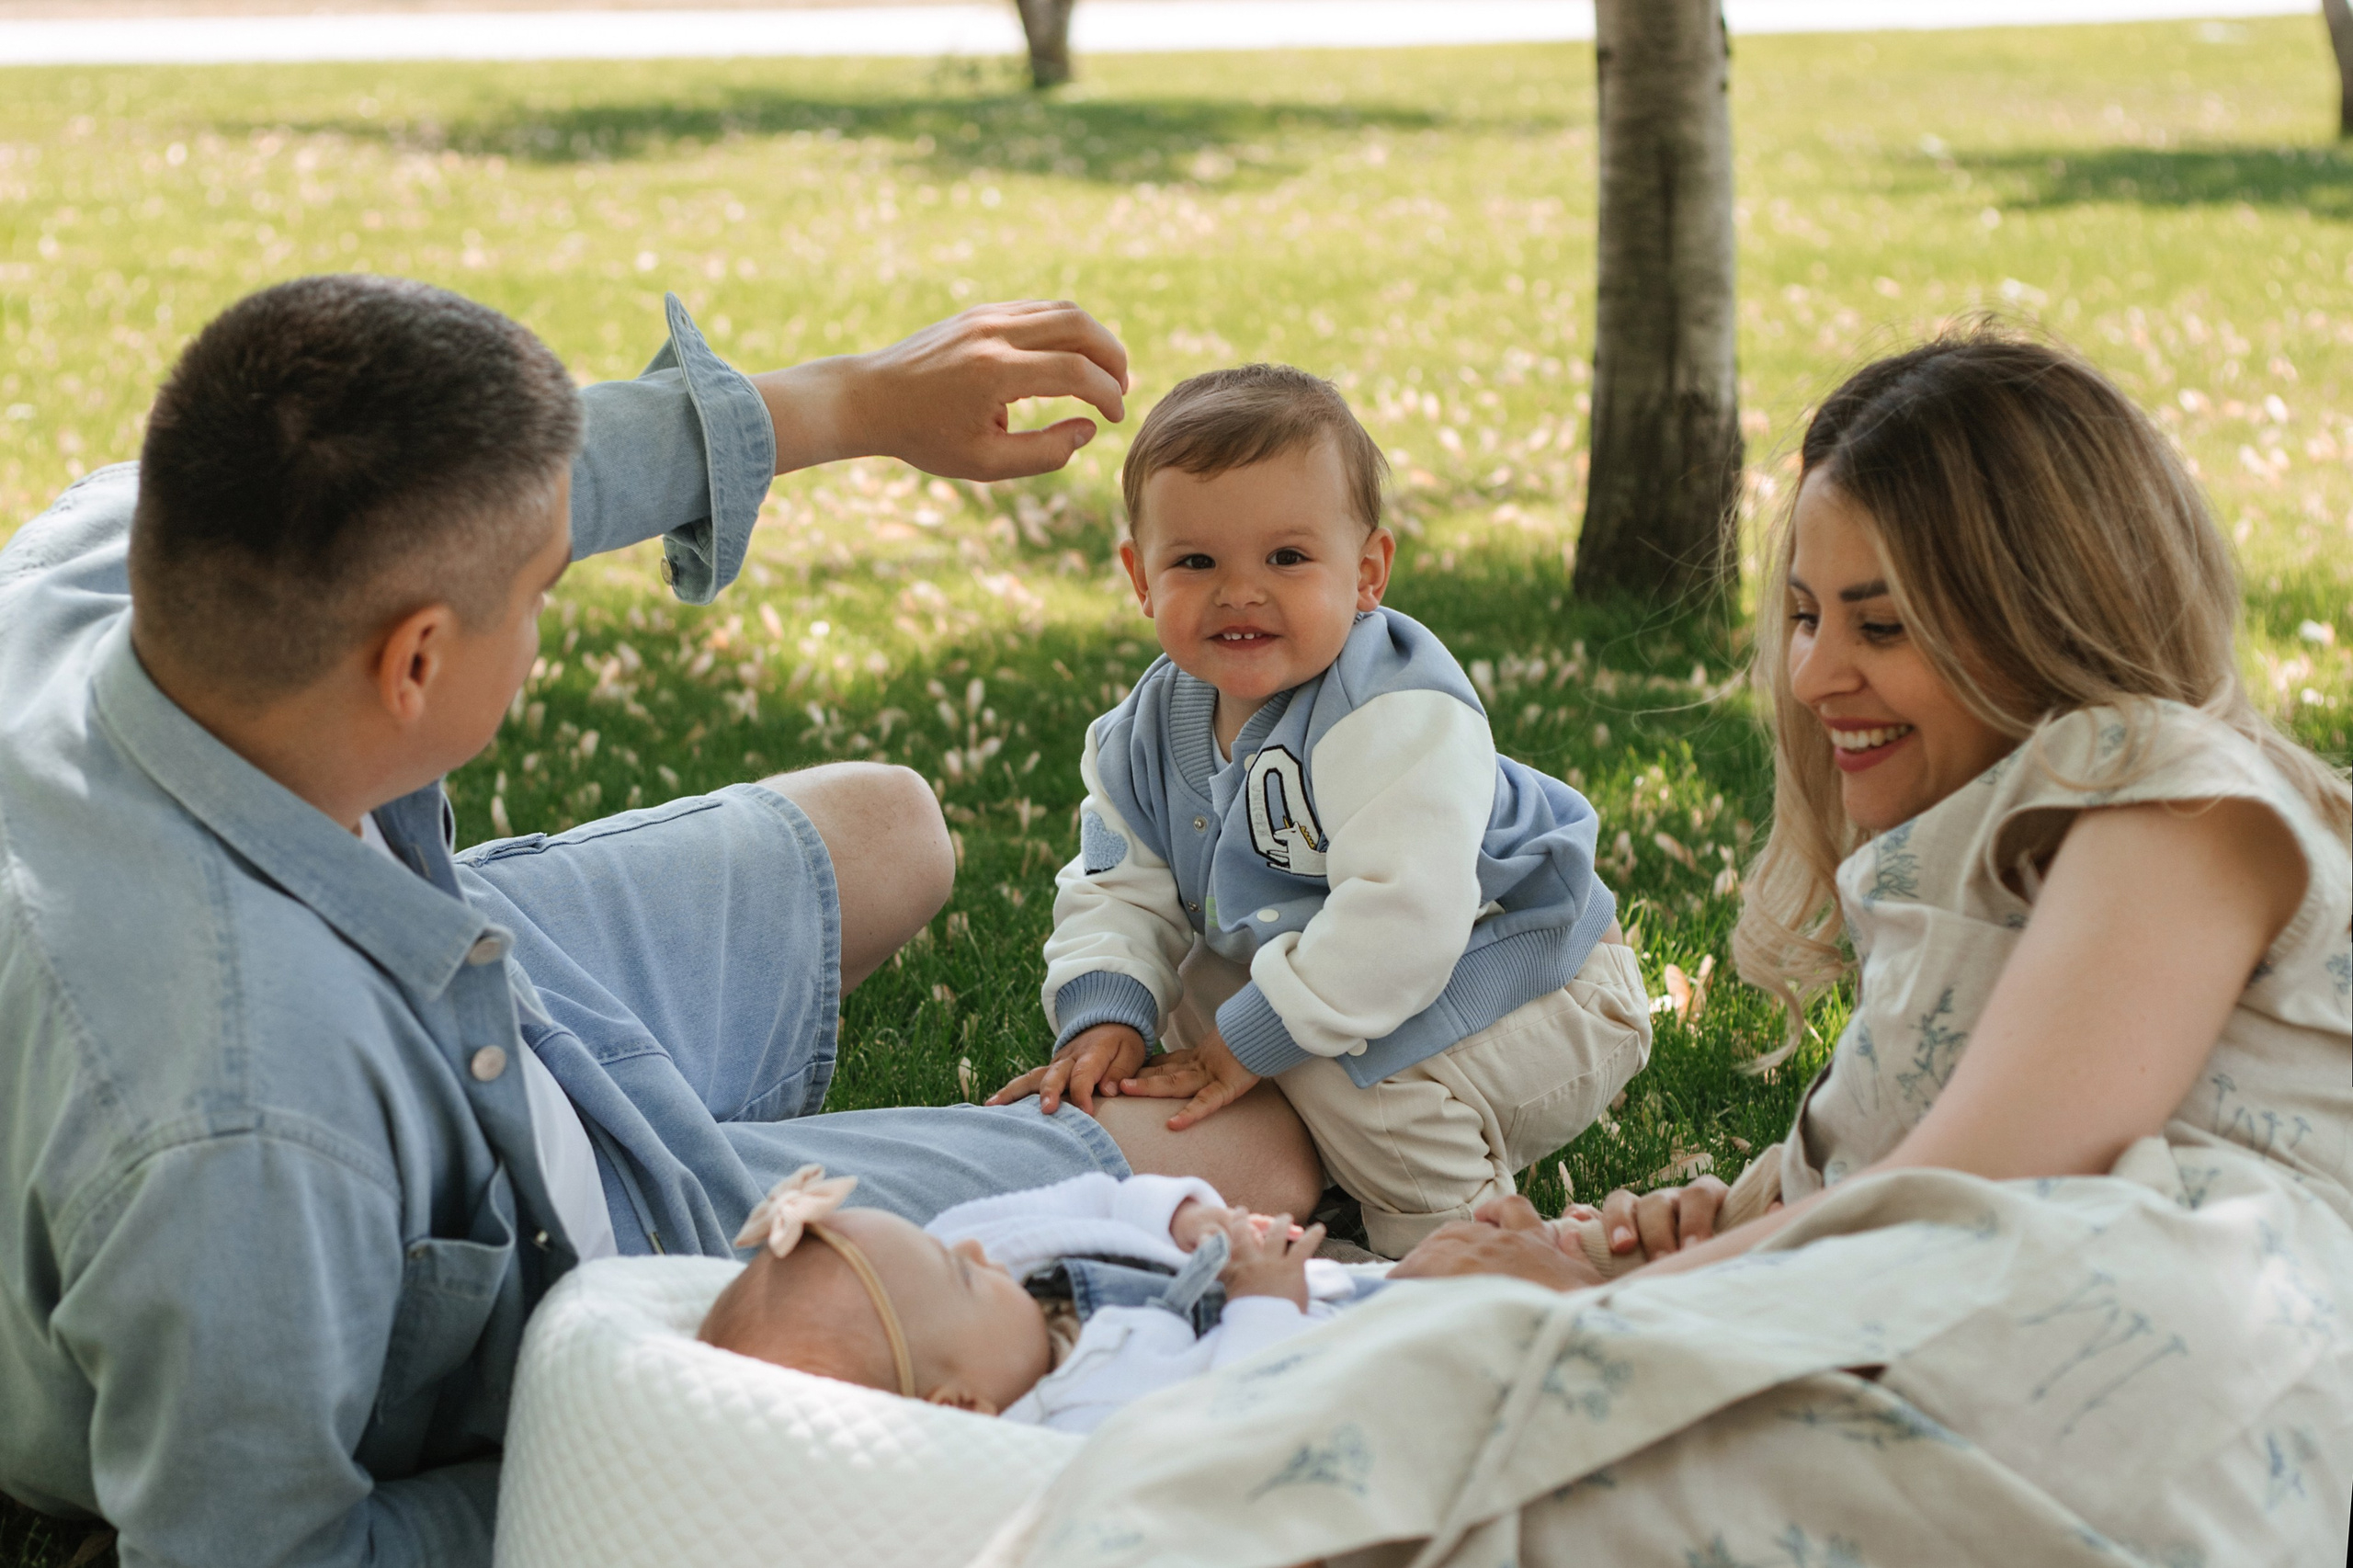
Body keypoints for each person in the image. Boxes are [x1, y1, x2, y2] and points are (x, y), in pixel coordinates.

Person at [0, 275, 1321, 1567]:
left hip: (475, 972)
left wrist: (861, 400)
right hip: (539, 1235)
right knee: (1253, 1155)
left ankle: (747, 1127)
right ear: (413, 662)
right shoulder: (249, 1127)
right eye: (531, 601)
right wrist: (630, 1442)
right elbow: (262, 1547)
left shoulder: (113, 575)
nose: (542, 615)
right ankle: (731, 1190)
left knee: (890, 827)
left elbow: (521, 487)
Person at [976, 329, 2353, 1567]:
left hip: (2141, 1342)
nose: (1813, 675)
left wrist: (1568, 1312)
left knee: (1376, 1424)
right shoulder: (1975, 856)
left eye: (1881, 624)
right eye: (1808, 615)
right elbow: (1899, 1160)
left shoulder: (2170, 791)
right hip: (1957, 1285)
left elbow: (1991, 1169)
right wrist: (1707, 1225)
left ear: (2050, 609)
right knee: (1317, 1433)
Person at [986, 364, 1651, 1256]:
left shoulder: (1394, 710)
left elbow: (1402, 920)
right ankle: (1307, 1212)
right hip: (1351, 961)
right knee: (1174, 1027)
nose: (1239, 590)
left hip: (1531, 975)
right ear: (1140, 578)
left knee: (1353, 1077)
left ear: (1367, 570)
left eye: (1287, 557)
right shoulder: (1138, 733)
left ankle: (1454, 1259)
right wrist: (1107, 1009)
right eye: (1195, 561)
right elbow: (1115, 888)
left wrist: (1253, 1036)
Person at [699, 1165, 1348, 1434]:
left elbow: (1094, 1196)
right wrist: (1264, 1306)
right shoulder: (1078, 1418)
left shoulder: (968, 1251)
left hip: (1328, 1292)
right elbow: (1236, 1432)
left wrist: (1176, 1218)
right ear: (960, 1407)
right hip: (1344, 1363)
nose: (979, 1252)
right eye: (964, 1275)